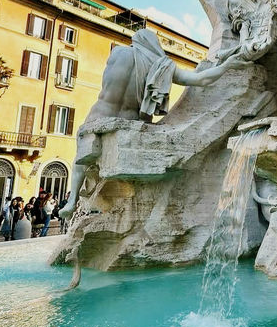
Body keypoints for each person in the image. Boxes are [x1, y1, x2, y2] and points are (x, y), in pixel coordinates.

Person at [60, 29, 251, 220]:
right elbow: (200, 79)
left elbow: (107, 82)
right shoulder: (161, 64)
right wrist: (227, 65)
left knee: (80, 156)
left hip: (100, 114)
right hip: (132, 121)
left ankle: (72, 199)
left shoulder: (118, 52)